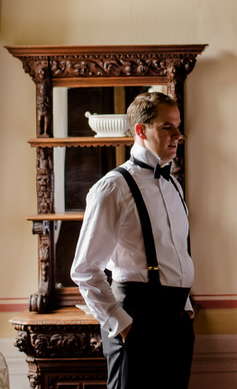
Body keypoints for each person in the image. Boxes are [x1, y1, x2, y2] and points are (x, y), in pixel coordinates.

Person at [70, 91, 194, 389]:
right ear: (141, 130)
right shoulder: (112, 188)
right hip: (137, 317)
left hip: (177, 320)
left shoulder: (172, 183)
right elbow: (85, 269)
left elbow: (174, 252)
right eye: (168, 127)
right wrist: (122, 325)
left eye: (178, 125)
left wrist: (185, 308)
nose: (179, 134)